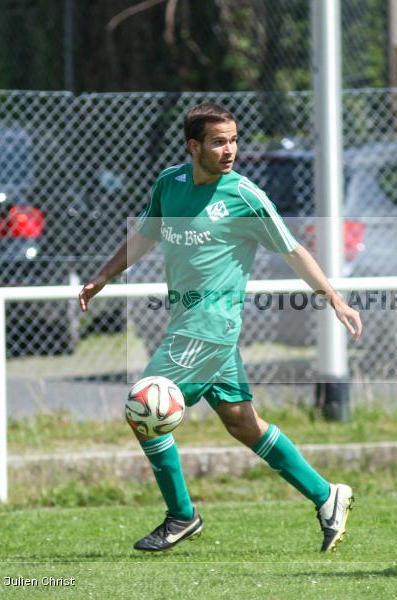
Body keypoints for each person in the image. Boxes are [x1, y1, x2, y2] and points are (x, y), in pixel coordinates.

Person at [78, 102, 362, 553]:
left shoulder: (244, 196)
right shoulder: (169, 184)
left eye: (233, 140)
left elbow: (292, 250)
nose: (229, 150)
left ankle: (181, 515)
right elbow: (147, 233)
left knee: (144, 408)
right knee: (241, 422)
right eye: (218, 142)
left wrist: (333, 297)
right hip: (186, 323)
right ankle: (329, 497)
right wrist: (104, 275)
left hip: (210, 329)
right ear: (194, 147)